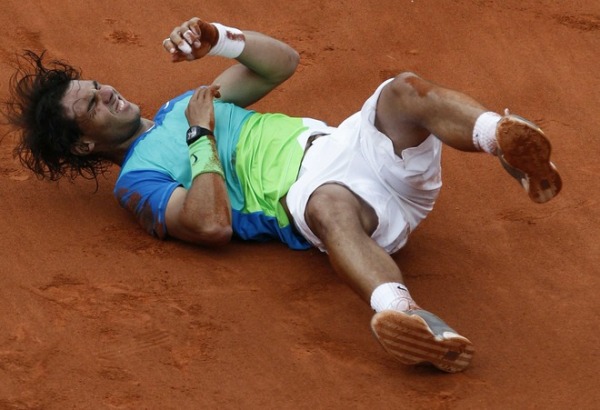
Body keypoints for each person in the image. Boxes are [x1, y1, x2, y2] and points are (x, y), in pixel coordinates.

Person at [6, 17, 562, 373]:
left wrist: (219, 39)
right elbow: (209, 224)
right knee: (328, 205)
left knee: (403, 90)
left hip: (345, 145)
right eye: (91, 104)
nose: (107, 92)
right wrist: (201, 137)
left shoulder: (182, 105)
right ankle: (411, 318)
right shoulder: (136, 183)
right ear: (83, 145)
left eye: (96, 85)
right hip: (313, 197)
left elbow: (282, 63)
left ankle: (502, 142)